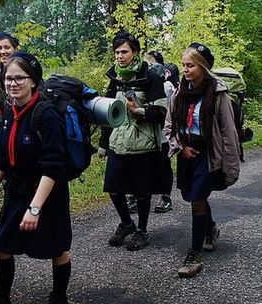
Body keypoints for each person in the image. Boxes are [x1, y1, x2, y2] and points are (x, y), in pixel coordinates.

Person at [0, 52, 72, 304]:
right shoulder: (9, 111)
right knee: (1, 245)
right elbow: (3, 157)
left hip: (48, 191)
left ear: (33, 81)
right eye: (8, 78)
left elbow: (54, 166)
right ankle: (2, 298)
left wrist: (35, 208)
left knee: (57, 248)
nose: (13, 83)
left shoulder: (47, 115)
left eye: (19, 78)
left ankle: (58, 297)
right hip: (17, 189)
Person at [164, 43, 240, 277]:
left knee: (197, 199)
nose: (185, 70)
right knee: (193, 196)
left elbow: (228, 133)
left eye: (191, 65)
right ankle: (211, 228)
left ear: (203, 67)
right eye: (184, 65)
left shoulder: (218, 95)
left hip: (208, 154)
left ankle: (194, 255)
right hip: (187, 152)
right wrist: (181, 147)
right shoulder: (179, 93)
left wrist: (230, 167)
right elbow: (170, 126)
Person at [98, 32, 168, 251]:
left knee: (141, 190)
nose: (119, 56)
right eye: (117, 52)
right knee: (113, 187)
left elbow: (162, 111)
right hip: (118, 142)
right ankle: (127, 223)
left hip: (142, 144)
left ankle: (142, 230)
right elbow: (107, 113)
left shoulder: (151, 77)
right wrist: (103, 142)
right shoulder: (115, 78)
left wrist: (139, 110)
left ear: (135, 52)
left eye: (124, 51)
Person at [145, 51, 174, 213]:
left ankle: (166, 197)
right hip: (147, 134)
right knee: (145, 166)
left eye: (151, 63)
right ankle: (139, 197)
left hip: (163, 134)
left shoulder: (167, 86)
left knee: (163, 165)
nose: (147, 67)